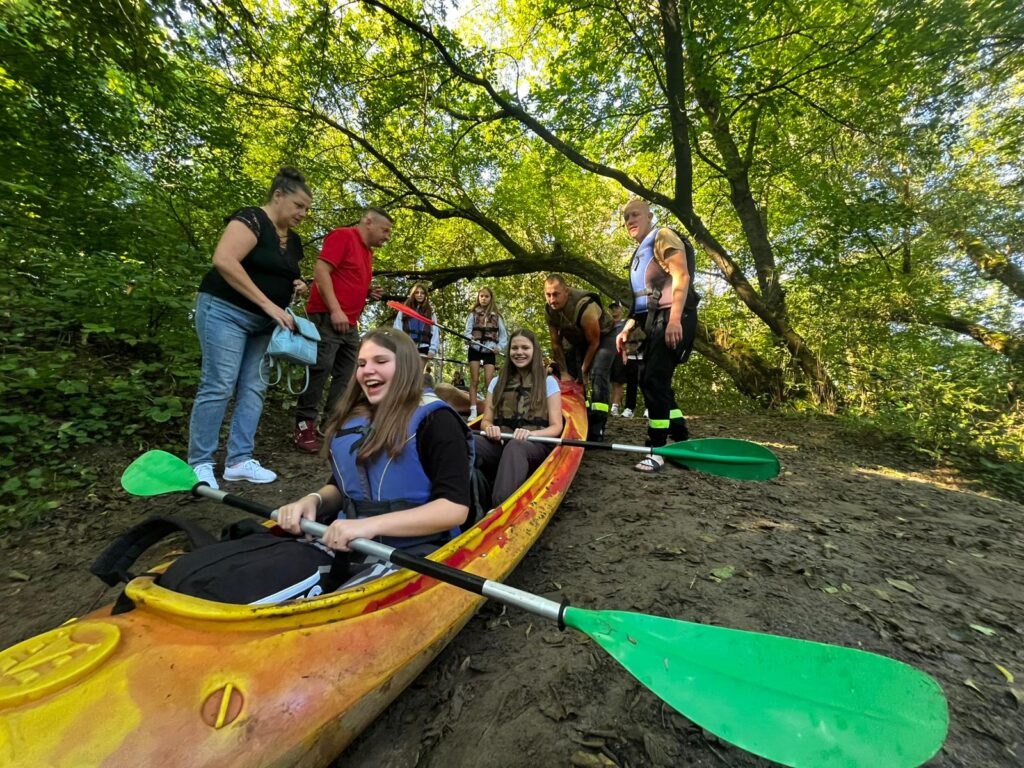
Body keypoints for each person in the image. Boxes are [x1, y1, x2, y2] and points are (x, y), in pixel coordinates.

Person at [277, 328, 472, 584]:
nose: (367, 370)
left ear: (406, 366)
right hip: (348, 539)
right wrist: (313, 501)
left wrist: (369, 526)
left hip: (417, 549)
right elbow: (344, 485)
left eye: (381, 361)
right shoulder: (358, 417)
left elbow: (454, 509)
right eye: (361, 364)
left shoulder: (437, 421)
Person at [187, 167, 312, 490]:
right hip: (225, 312)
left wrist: (295, 284)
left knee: (255, 387)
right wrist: (268, 304)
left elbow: (279, 272)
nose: (303, 213)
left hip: (264, 325)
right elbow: (225, 260)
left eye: (307, 209)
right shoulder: (251, 219)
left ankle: (239, 460)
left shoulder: (294, 242)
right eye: (299, 205)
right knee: (219, 384)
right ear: (279, 195)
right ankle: (200, 463)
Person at [294, 207, 393, 453]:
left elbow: (346, 279)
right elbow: (321, 271)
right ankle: (304, 425)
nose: (387, 236)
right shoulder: (343, 236)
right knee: (320, 368)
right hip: (327, 316)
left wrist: (367, 292)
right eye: (385, 230)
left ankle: (331, 425)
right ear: (368, 222)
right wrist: (335, 309)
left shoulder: (368, 253)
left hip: (350, 323)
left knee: (349, 373)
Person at [617, 198, 699, 472]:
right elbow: (642, 300)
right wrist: (628, 326)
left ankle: (657, 449)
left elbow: (682, 275)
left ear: (650, 215)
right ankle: (680, 438)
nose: (629, 220)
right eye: (626, 216)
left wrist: (674, 318)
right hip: (653, 322)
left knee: (653, 380)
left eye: (635, 214)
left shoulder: (662, 236)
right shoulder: (640, 253)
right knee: (653, 382)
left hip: (673, 317)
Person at [475, 329, 563, 507]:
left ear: (534, 350)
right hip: (501, 443)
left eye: (525, 347)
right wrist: (489, 428)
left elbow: (556, 427)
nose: (519, 352)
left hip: (532, 446)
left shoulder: (548, 382)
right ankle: (458, 500)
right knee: (468, 441)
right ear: (509, 352)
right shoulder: (497, 382)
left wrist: (531, 435)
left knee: (516, 446)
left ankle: (498, 508)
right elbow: (486, 420)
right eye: (514, 348)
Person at [543, 273, 615, 441]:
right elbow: (556, 344)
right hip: (578, 339)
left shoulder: (584, 307)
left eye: (556, 294)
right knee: (570, 376)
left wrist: (584, 370)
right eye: (548, 295)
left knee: (597, 372)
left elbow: (594, 342)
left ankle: (597, 428)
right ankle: (581, 419)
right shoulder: (550, 311)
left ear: (566, 291)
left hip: (603, 337)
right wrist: (564, 372)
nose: (552, 300)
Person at [464, 287, 507, 420]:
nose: (483, 298)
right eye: (481, 296)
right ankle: (473, 411)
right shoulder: (473, 314)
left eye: (486, 296)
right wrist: (469, 339)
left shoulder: (497, 317)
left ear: (490, 298)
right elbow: (467, 332)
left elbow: (503, 336)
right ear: (478, 298)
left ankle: (491, 410)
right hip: (475, 349)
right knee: (474, 380)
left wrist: (499, 347)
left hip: (489, 350)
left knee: (489, 380)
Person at [609, 300, 643, 418]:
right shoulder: (608, 324)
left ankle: (617, 407)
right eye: (612, 308)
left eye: (616, 308)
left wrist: (625, 353)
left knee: (622, 381)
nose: (614, 310)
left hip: (625, 355)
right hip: (608, 356)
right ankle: (619, 407)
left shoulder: (627, 323)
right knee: (612, 381)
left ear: (622, 309)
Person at [392, 282, 440, 359]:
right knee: (407, 371)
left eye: (422, 293)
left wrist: (433, 349)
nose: (419, 295)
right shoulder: (404, 310)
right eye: (417, 292)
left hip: (424, 347)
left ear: (425, 295)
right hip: (407, 346)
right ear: (413, 294)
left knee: (419, 371)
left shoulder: (430, 312)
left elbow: (435, 332)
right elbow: (397, 328)